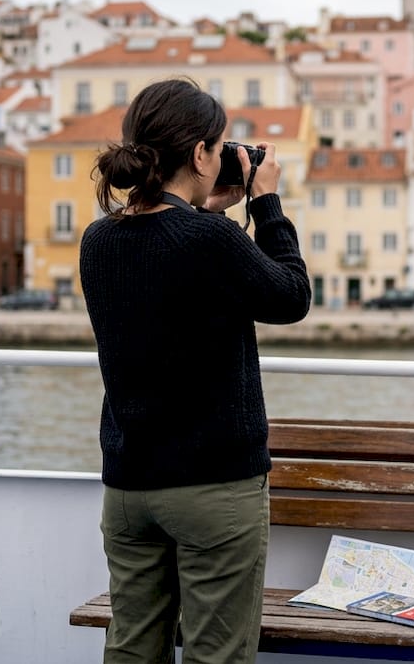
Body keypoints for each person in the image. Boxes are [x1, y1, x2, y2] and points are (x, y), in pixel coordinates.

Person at [79, 77, 311, 664]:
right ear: (203, 154)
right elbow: (290, 297)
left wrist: (203, 208)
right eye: (220, 145)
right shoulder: (208, 239)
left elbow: (167, 253)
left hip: (129, 488)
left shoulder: (98, 239)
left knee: (132, 649)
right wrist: (266, 205)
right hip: (213, 488)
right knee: (216, 655)